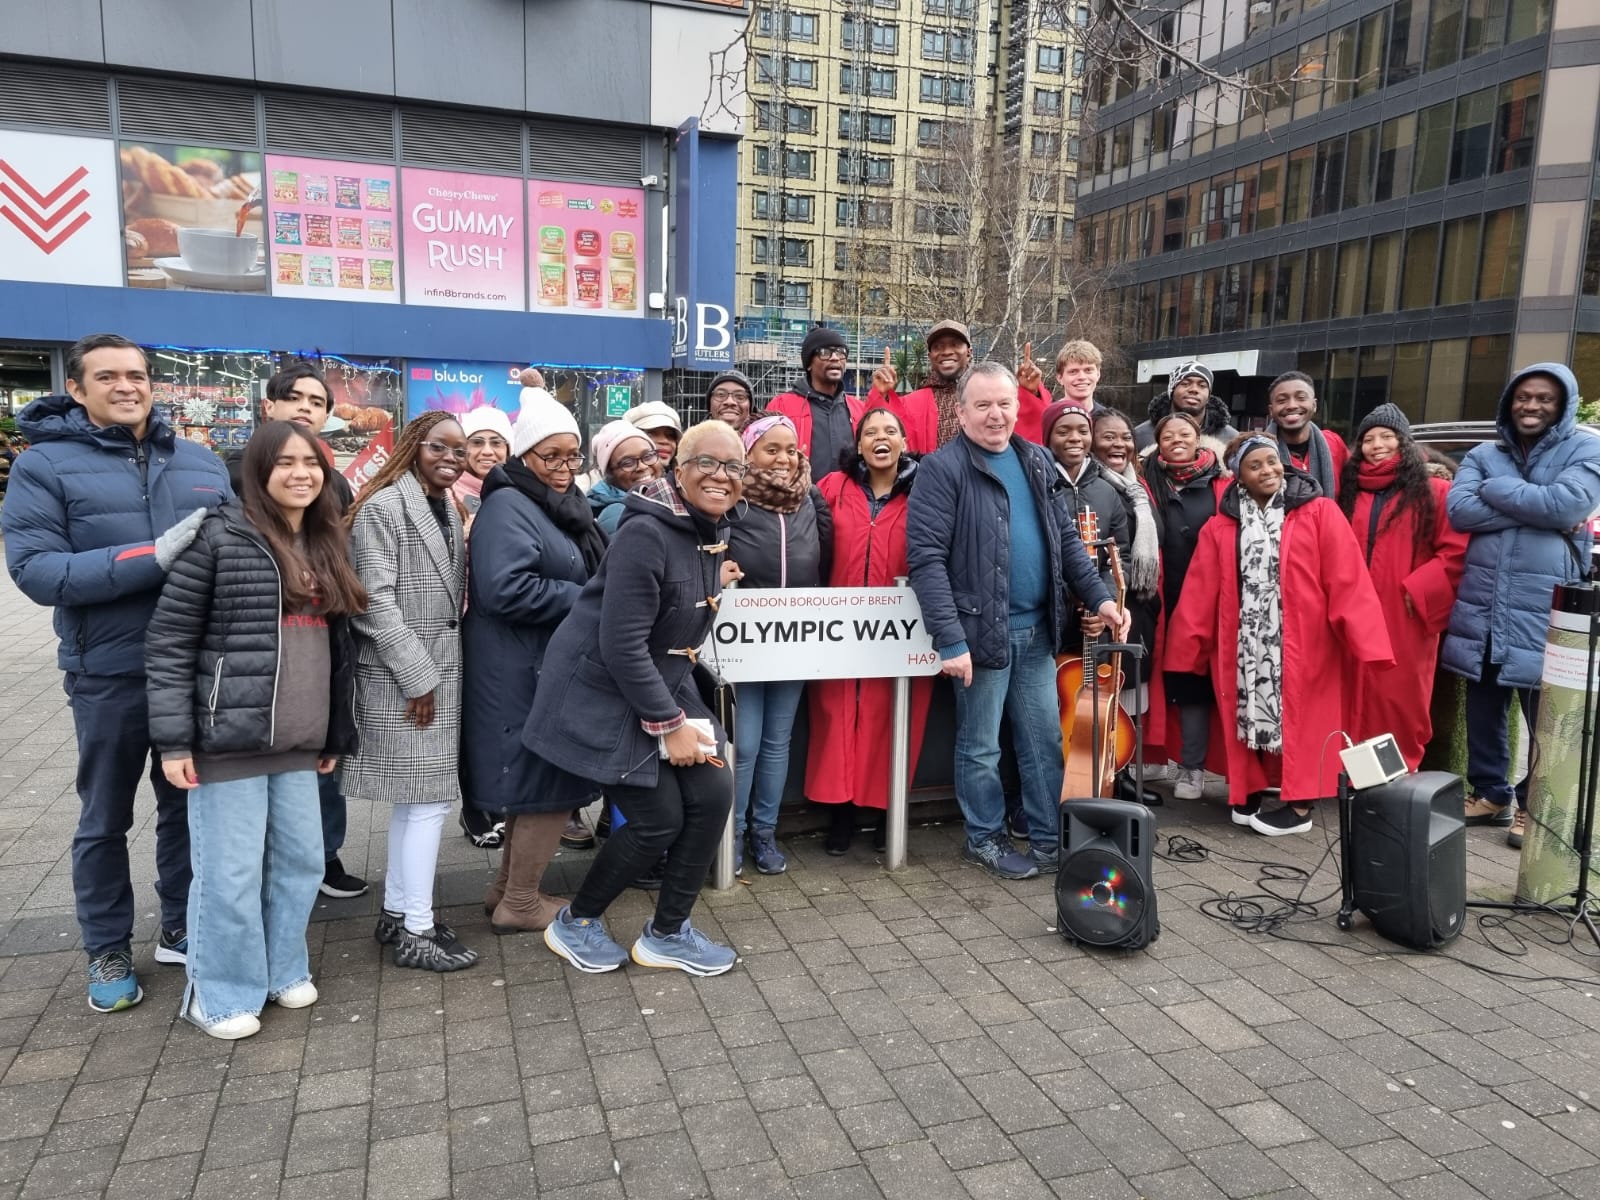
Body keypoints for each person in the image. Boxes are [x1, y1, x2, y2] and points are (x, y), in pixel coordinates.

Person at [4, 333, 230, 1012]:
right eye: (108, 376)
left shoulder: (198, 460)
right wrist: (148, 557)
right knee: (104, 816)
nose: (126, 386)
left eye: (137, 374)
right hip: (108, 671)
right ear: (77, 388)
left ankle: (182, 924)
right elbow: (36, 572)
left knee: (186, 807)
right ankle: (105, 946)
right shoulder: (43, 467)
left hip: (193, 672)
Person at [145, 421, 365, 1039]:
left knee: (298, 864)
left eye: (312, 462)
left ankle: (280, 969)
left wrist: (333, 736)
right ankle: (219, 994)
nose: (302, 473)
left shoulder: (326, 540)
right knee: (229, 874)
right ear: (256, 473)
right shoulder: (219, 537)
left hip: (301, 742)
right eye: (284, 463)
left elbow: (340, 650)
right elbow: (168, 644)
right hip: (228, 741)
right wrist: (174, 742)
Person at [526, 421, 747, 977]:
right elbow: (620, 643)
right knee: (658, 817)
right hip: (602, 690)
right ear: (679, 468)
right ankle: (576, 921)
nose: (722, 476)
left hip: (656, 682)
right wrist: (670, 723)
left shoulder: (709, 529)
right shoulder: (647, 532)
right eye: (708, 463)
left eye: (734, 468)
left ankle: (668, 933)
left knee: (716, 787)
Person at [907, 362, 1127, 879]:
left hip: (1036, 632)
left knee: (1043, 742)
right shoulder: (943, 469)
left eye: (1004, 403)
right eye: (982, 405)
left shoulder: (1036, 459)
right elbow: (926, 561)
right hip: (981, 634)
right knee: (981, 746)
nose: (995, 414)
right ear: (960, 413)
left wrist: (1099, 599)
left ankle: (1051, 844)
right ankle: (984, 839)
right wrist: (950, 639)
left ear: (1017, 407)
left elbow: (1067, 543)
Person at [1166, 435, 1393, 835]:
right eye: (1256, 466)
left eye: (1273, 462)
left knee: (1304, 720)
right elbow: (1200, 591)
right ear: (1239, 476)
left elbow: (1347, 578)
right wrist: (1188, 646)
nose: (1268, 470)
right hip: (1243, 644)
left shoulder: (1318, 512)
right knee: (1244, 715)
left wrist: (1365, 638)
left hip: (1307, 642)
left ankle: (1301, 805)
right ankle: (1247, 791)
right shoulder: (1221, 526)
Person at [461, 395, 607, 934]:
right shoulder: (509, 506)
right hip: (521, 668)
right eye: (553, 457)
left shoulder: (543, 503)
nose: (566, 469)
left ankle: (505, 890)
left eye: (573, 456)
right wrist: (589, 595)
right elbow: (504, 589)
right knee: (548, 785)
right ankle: (521, 903)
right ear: (524, 456)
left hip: (535, 665)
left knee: (534, 784)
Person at [1443, 363, 1600, 847]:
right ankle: (1491, 793)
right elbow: (1459, 509)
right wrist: (1540, 508)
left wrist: (1497, 489)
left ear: (1562, 405)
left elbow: (1570, 506)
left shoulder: (1587, 447)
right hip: (1486, 599)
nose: (1531, 406)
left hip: (1544, 603)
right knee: (1485, 703)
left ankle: (1535, 806)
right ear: (1510, 401)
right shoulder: (1484, 451)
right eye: (1523, 397)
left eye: (1544, 399)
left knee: (1543, 707)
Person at [343, 411, 478, 972]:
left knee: (420, 799)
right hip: (408, 676)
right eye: (439, 447)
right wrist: (420, 676)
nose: (452, 458)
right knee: (427, 802)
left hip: (435, 669)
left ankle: (398, 912)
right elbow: (372, 600)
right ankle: (417, 929)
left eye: (460, 451)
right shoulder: (383, 507)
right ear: (413, 446)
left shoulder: (446, 504)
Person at [226, 360, 367, 898]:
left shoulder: (334, 480)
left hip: (323, 633)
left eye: (318, 402)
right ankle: (268, 869)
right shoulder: (236, 470)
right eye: (297, 399)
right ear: (270, 407)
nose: (307, 408)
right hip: (260, 641)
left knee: (323, 752)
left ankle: (324, 857)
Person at [808, 408, 932, 853]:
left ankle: (886, 812)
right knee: (836, 712)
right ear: (858, 444)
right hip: (838, 627)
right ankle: (840, 812)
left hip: (903, 628)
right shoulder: (832, 487)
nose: (881, 437)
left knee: (895, 713)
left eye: (891, 430)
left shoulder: (926, 489)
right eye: (871, 431)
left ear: (904, 441)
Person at [726, 414, 833, 874]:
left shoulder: (809, 498)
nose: (784, 459)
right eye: (772, 449)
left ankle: (764, 832)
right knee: (744, 744)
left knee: (776, 742)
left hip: (797, 640)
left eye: (791, 449)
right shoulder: (734, 499)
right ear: (749, 452)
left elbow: (826, 551)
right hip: (747, 645)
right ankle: (730, 834)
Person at [1338, 404, 1468, 772]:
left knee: (1399, 696)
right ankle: (1350, 771)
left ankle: (1395, 773)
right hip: (1354, 610)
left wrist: (1419, 591)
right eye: (1368, 438)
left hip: (1406, 611)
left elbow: (1455, 552)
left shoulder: (1436, 492)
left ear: (1403, 442)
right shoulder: (1347, 493)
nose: (1376, 445)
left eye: (1386, 436)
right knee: (1350, 688)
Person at [1042, 398, 1156, 806]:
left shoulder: (1107, 491)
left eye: (1081, 431)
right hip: (1048, 617)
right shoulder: (1039, 484)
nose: (1074, 438)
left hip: (1096, 616)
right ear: (1047, 437)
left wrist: (1099, 603)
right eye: (1063, 431)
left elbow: (1119, 554)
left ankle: (1105, 776)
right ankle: (1042, 790)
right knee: (1048, 710)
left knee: (1099, 701)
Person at [1143, 411, 1230, 802]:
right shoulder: (1146, 482)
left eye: (1184, 433)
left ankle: (1192, 767)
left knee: (1195, 684)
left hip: (1208, 600)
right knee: (1162, 680)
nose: (1176, 440)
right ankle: (1155, 755)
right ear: (1157, 443)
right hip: (1162, 596)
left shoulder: (1221, 484)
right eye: (1167, 435)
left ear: (1199, 440)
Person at [1090, 407, 1165, 787]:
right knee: (1105, 695)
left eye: (1124, 437)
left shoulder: (1138, 486)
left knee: (1133, 692)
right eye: (1108, 437)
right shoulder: (1092, 485)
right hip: (1105, 603)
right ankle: (1103, 776)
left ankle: (1121, 776)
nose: (1118, 444)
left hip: (1140, 605)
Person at [880, 321, 1051, 450]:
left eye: (955, 344)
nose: (946, 351)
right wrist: (883, 396)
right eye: (938, 347)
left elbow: (1027, 435)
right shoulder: (911, 404)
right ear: (930, 356)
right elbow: (883, 438)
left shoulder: (993, 393)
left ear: (969, 352)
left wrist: (1030, 394)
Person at [1266, 371, 1348, 495]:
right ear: (1271, 410)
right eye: (1282, 400)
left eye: (1301, 398)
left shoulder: (1334, 443)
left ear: (1314, 405)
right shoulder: (1256, 451)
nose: (1292, 405)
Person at [1134, 360, 1240, 453]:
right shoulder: (1140, 435)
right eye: (1185, 384)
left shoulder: (1232, 438)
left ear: (1208, 395)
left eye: (1202, 385)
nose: (1194, 389)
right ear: (1172, 390)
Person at [587, 419, 663, 535]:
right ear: (609, 473)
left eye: (648, 456)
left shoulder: (661, 500)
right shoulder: (617, 514)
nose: (642, 466)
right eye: (627, 463)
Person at [452, 406, 513, 520]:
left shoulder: (523, 492)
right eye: (477, 442)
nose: (487, 451)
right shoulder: (447, 494)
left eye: (496, 443)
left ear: (508, 450)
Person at [624, 401, 683, 469]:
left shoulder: (685, 477)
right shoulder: (615, 478)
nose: (664, 441)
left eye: (670, 435)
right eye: (651, 434)